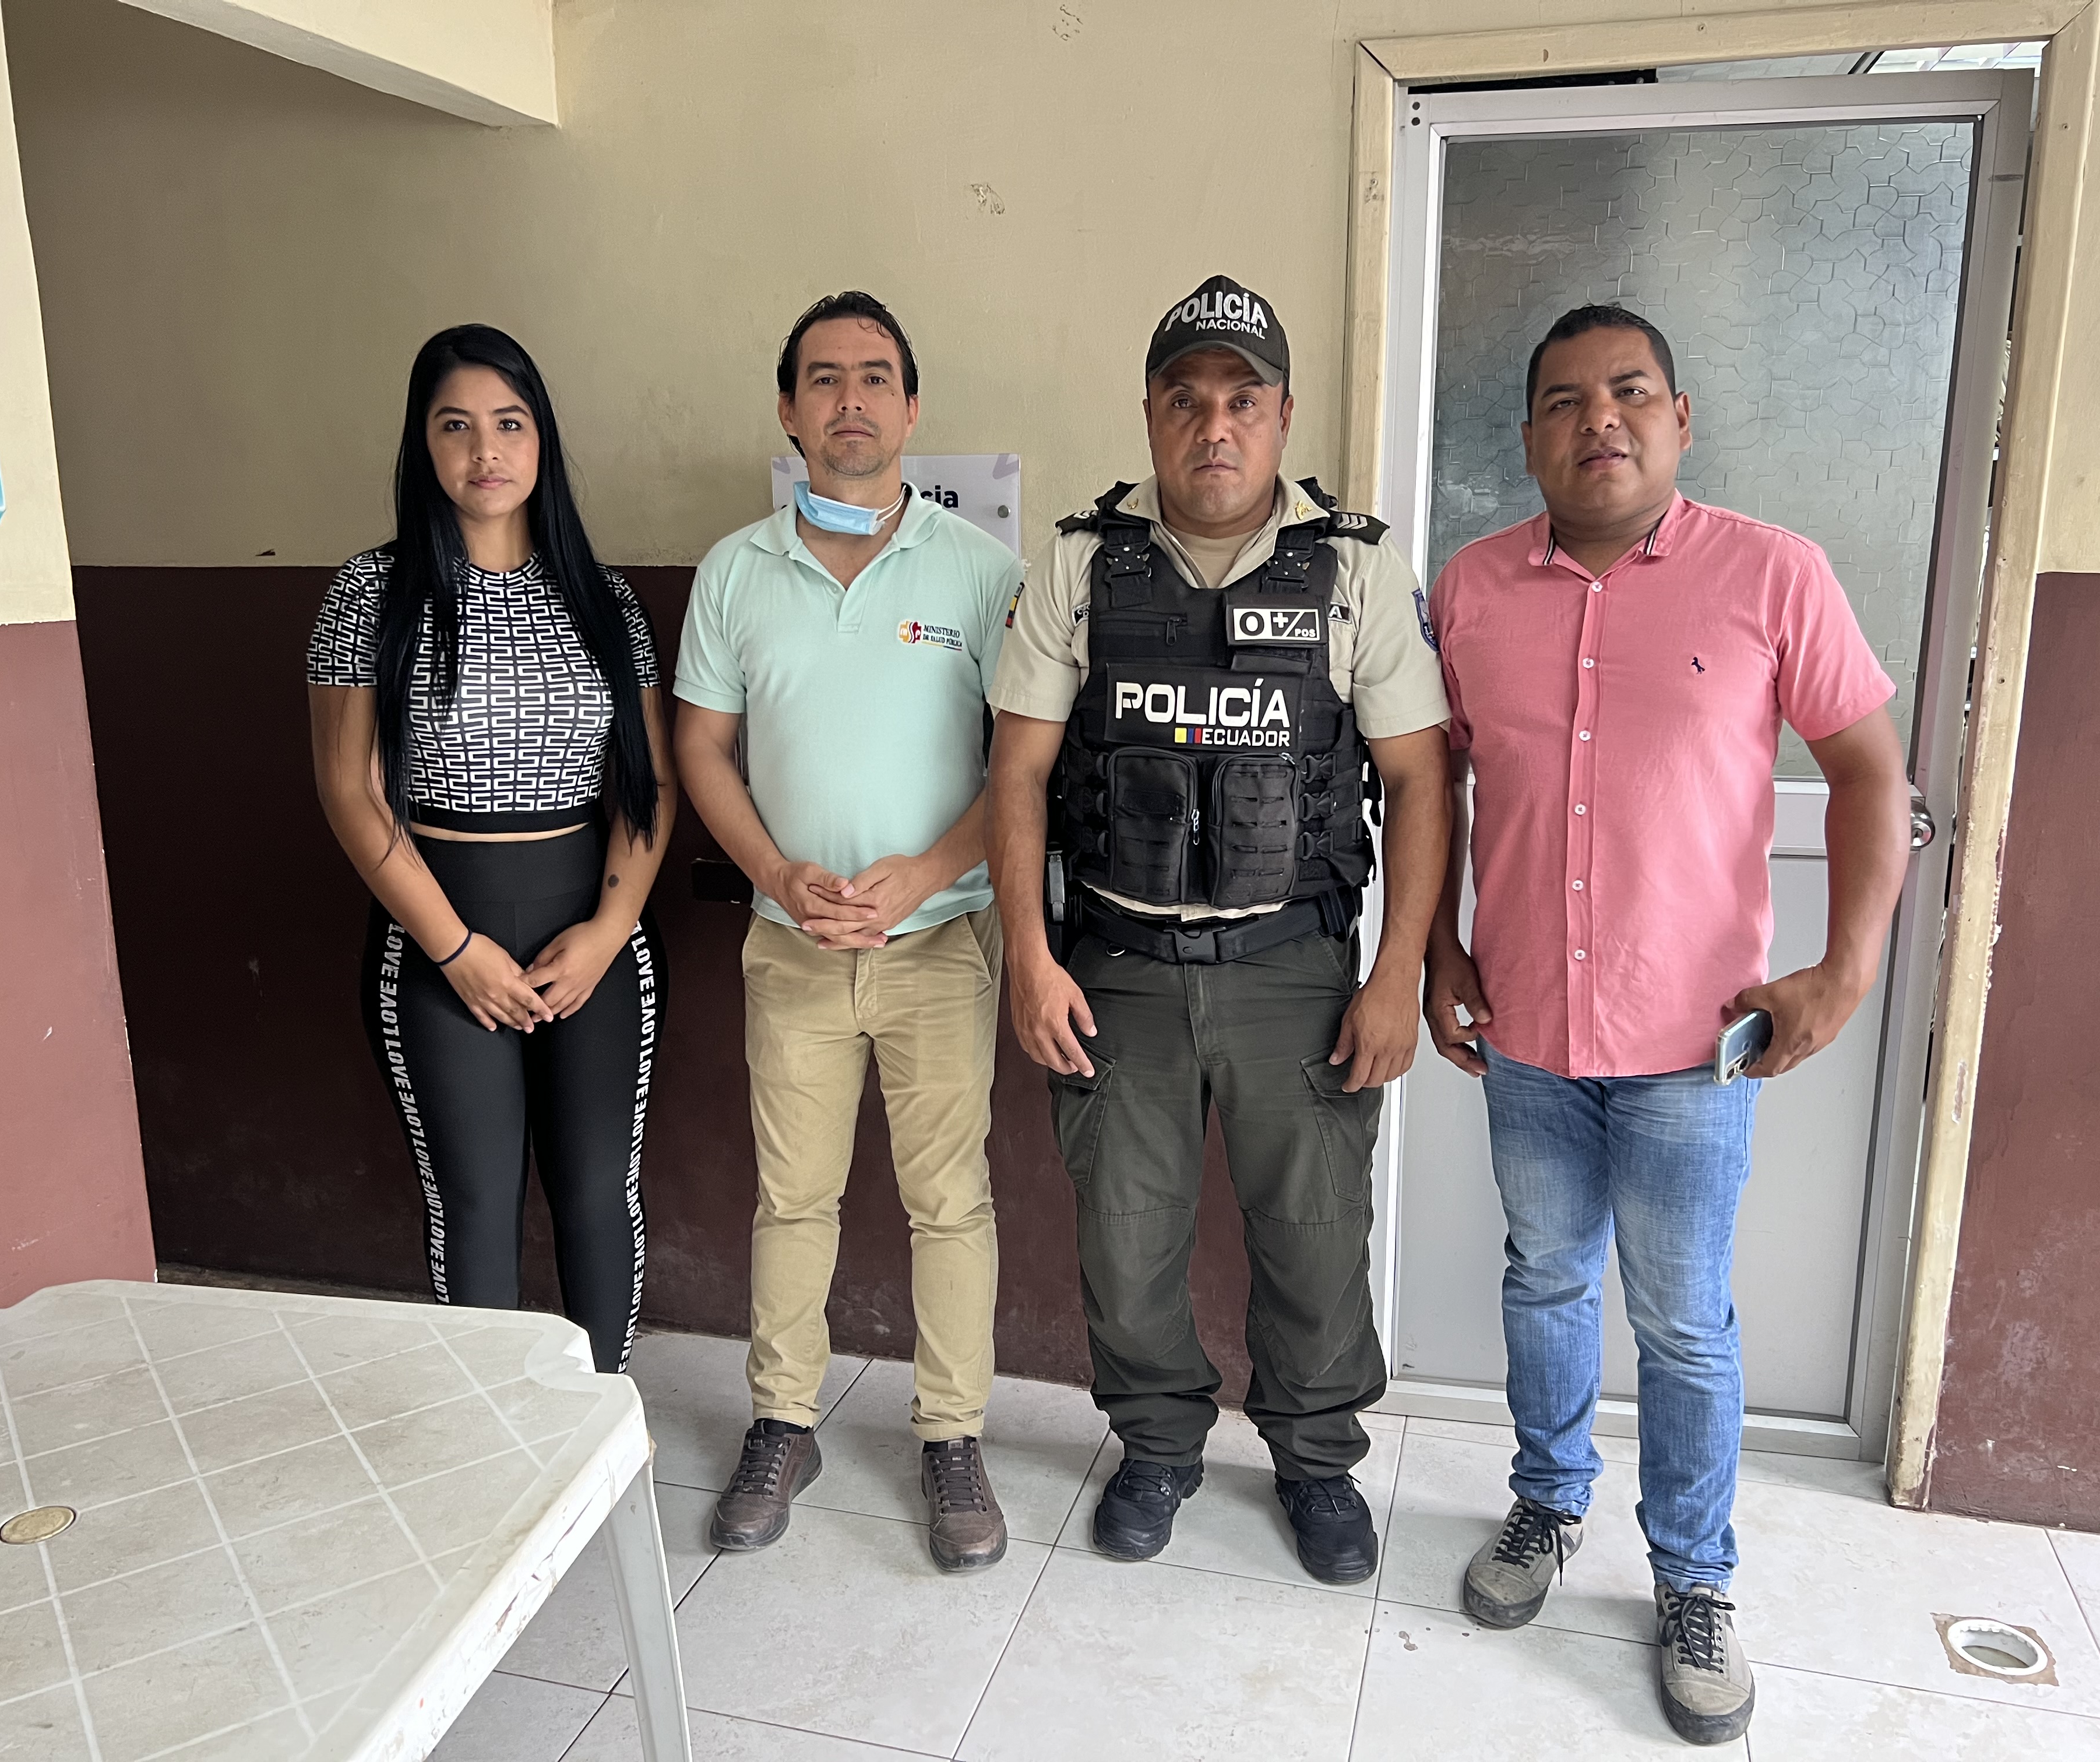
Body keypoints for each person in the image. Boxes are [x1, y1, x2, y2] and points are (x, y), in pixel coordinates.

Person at [1425, 304, 1909, 1746]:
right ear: (1529, 436)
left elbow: (1870, 773)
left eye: (1630, 392)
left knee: (1684, 1324)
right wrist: (1437, 947)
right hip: (1526, 1028)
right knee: (1544, 1282)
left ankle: (1695, 1580)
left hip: (1698, 1046)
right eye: (1565, 400)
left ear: (1680, 419)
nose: (1600, 420)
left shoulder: (1773, 575)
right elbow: (1432, 786)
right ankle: (1546, 1501)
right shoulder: (1471, 589)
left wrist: (1846, 968)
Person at [988, 276, 1451, 1584]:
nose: (1215, 427)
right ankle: (1156, 1446)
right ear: (1150, 413)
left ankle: (1316, 1460)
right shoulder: (1081, 565)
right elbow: (1018, 774)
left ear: (1284, 415)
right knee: (1126, 1234)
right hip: (1117, 966)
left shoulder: (1356, 571)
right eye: (1186, 400)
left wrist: (1397, 974)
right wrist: (1030, 958)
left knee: (1315, 1233)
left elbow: (1421, 781)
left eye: (1244, 401)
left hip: (1293, 968)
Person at [673, 292, 1023, 1573]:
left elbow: (1021, 766)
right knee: (793, 1196)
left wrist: (926, 869)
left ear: (912, 409)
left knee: (951, 1202)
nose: (851, 401)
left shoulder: (980, 572)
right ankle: (783, 1424)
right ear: (789, 409)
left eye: (876, 377)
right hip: (793, 945)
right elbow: (700, 747)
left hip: (942, 943)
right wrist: (775, 869)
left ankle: (953, 1438)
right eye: (824, 379)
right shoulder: (734, 572)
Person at [308, 324, 674, 1376]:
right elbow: (349, 789)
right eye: (455, 426)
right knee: (473, 1202)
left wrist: (607, 932)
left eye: (509, 424)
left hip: (591, 941)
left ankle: (603, 1424)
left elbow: (646, 791)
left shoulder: (604, 599)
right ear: (422, 443)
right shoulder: (369, 594)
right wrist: (457, 949)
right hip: (439, 944)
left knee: (598, 1192)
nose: (485, 452)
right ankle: (494, 1437)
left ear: (541, 438)